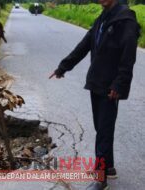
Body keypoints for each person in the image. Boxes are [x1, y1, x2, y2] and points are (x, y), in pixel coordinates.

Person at [49, 0, 140, 189]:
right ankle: (109, 167)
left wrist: (120, 83)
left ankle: (101, 179)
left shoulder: (125, 20)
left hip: (111, 87)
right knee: (102, 128)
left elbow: (128, 56)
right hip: (97, 83)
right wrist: (63, 67)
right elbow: (84, 45)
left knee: (104, 132)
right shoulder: (102, 18)